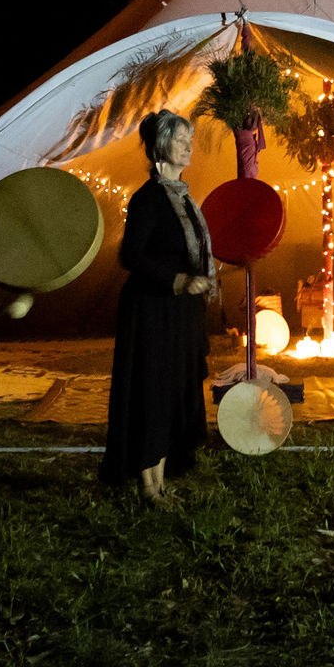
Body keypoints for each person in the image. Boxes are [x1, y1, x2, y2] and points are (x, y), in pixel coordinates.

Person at [101, 110, 215, 508]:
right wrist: (177, 280)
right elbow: (131, 256)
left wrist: (198, 279)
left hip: (180, 314)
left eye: (188, 139)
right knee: (153, 394)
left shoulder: (183, 197)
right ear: (161, 147)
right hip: (153, 313)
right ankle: (148, 488)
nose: (189, 146)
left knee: (173, 393)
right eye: (181, 139)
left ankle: (161, 482)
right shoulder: (148, 199)